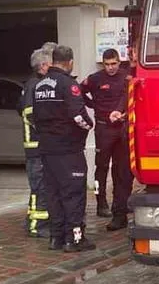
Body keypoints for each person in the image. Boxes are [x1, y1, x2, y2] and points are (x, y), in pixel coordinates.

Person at [32, 44, 96, 252]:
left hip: (47, 150)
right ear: (70, 62)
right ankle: (75, 239)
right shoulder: (68, 85)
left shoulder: (39, 85)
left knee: (54, 195)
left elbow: (34, 117)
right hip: (68, 150)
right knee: (74, 195)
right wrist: (89, 126)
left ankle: (56, 238)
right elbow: (79, 116)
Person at [81, 48, 132, 227]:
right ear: (103, 64)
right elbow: (78, 91)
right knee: (101, 167)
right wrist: (93, 105)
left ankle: (122, 203)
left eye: (114, 64)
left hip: (122, 129)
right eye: (107, 64)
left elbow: (129, 97)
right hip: (103, 129)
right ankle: (100, 202)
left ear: (119, 62)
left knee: (123, 169)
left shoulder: (127, 77)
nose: (111, 68)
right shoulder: (95, 78)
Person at [18, 44, 55, 237]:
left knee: (40, 187)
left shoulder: (31, 85)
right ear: (43, 66)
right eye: (51, 63)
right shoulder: (34, 86)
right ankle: (37, 226)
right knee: (39, 188)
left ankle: (32, 221)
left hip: (36, 148)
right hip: (36, 148)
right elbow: (31, 114)